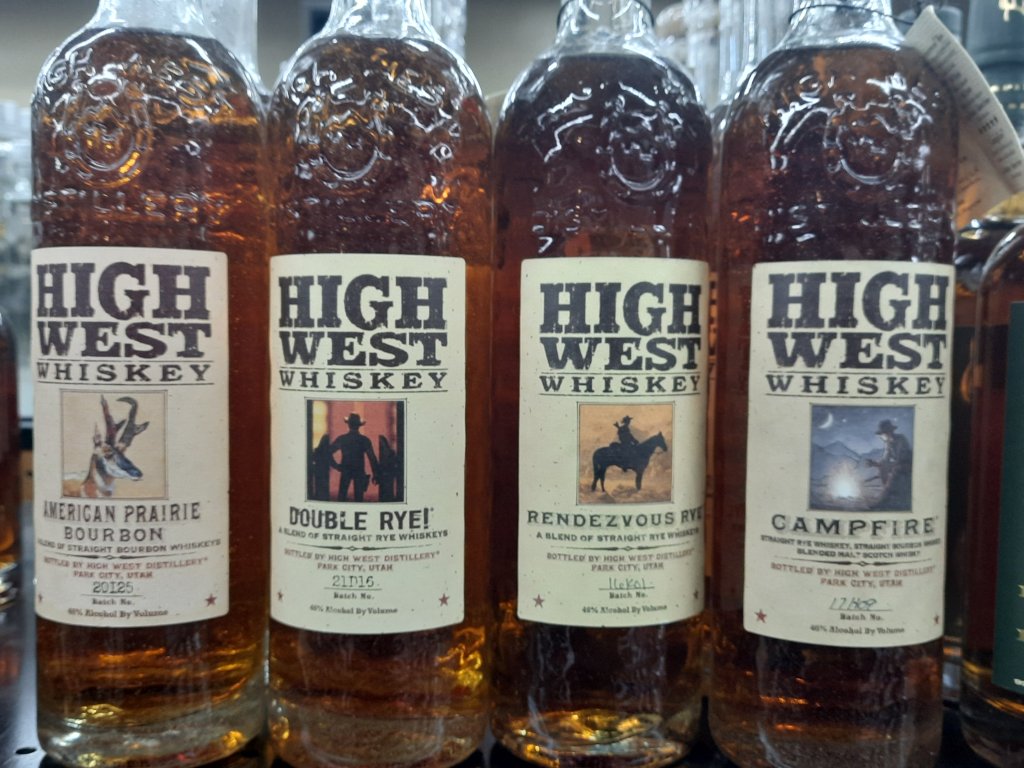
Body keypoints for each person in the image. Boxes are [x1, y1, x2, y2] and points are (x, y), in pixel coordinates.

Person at [329, 413, 380, 502]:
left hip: (346, 470)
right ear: (359, 425)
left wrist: (336, 466)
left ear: (348, 424)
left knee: (342, 496)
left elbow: (328, 452)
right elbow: (372, 458)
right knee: (359, 498)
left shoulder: (343, 439)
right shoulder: (364, 440)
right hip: (359, 470)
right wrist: (376, 474)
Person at [868, 419, 912, 510]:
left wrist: (890, 466)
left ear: (888, 433)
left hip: (907, 465)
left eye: (882, 434)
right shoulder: (888, 444)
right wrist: (875, 464)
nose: (881, 437)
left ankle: (886, 500)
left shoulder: (901, 439)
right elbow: (885, 459)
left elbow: (902, 458)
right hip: (897, 466)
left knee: (894, 472)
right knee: (882, 469)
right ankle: (889, 497)